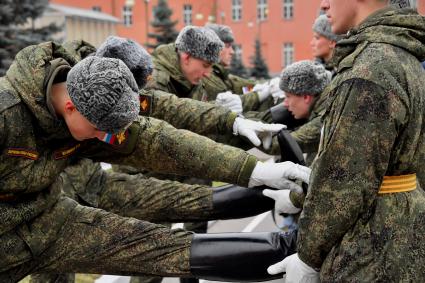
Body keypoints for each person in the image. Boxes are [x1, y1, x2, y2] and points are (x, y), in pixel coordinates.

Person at [0, 41, 311, 282]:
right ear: (70, 106)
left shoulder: (94, 101)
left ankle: (291, 248)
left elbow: (157, 139)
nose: (102, 138)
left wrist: (254, 170)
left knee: (156, 247)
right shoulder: (7, 117)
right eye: (99, 130)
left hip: (49, 221)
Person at [266, 0, 425, 282]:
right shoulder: (402, 59)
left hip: (368, 250)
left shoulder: (371, 70)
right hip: (399, 235)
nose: (324, 4)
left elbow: (345, 180)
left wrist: (308, 258)